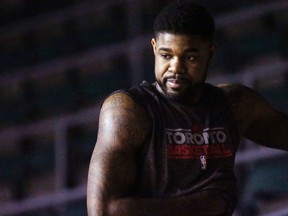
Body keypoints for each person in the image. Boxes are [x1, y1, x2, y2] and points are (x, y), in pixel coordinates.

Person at [87, 1, 288, 215]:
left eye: (189, 57)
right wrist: (205, 204)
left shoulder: (234, 105)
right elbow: (104, 211)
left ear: (210, 54)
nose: (176, 68)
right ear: (154, 48)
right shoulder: (128, 111)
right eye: (166, 55)